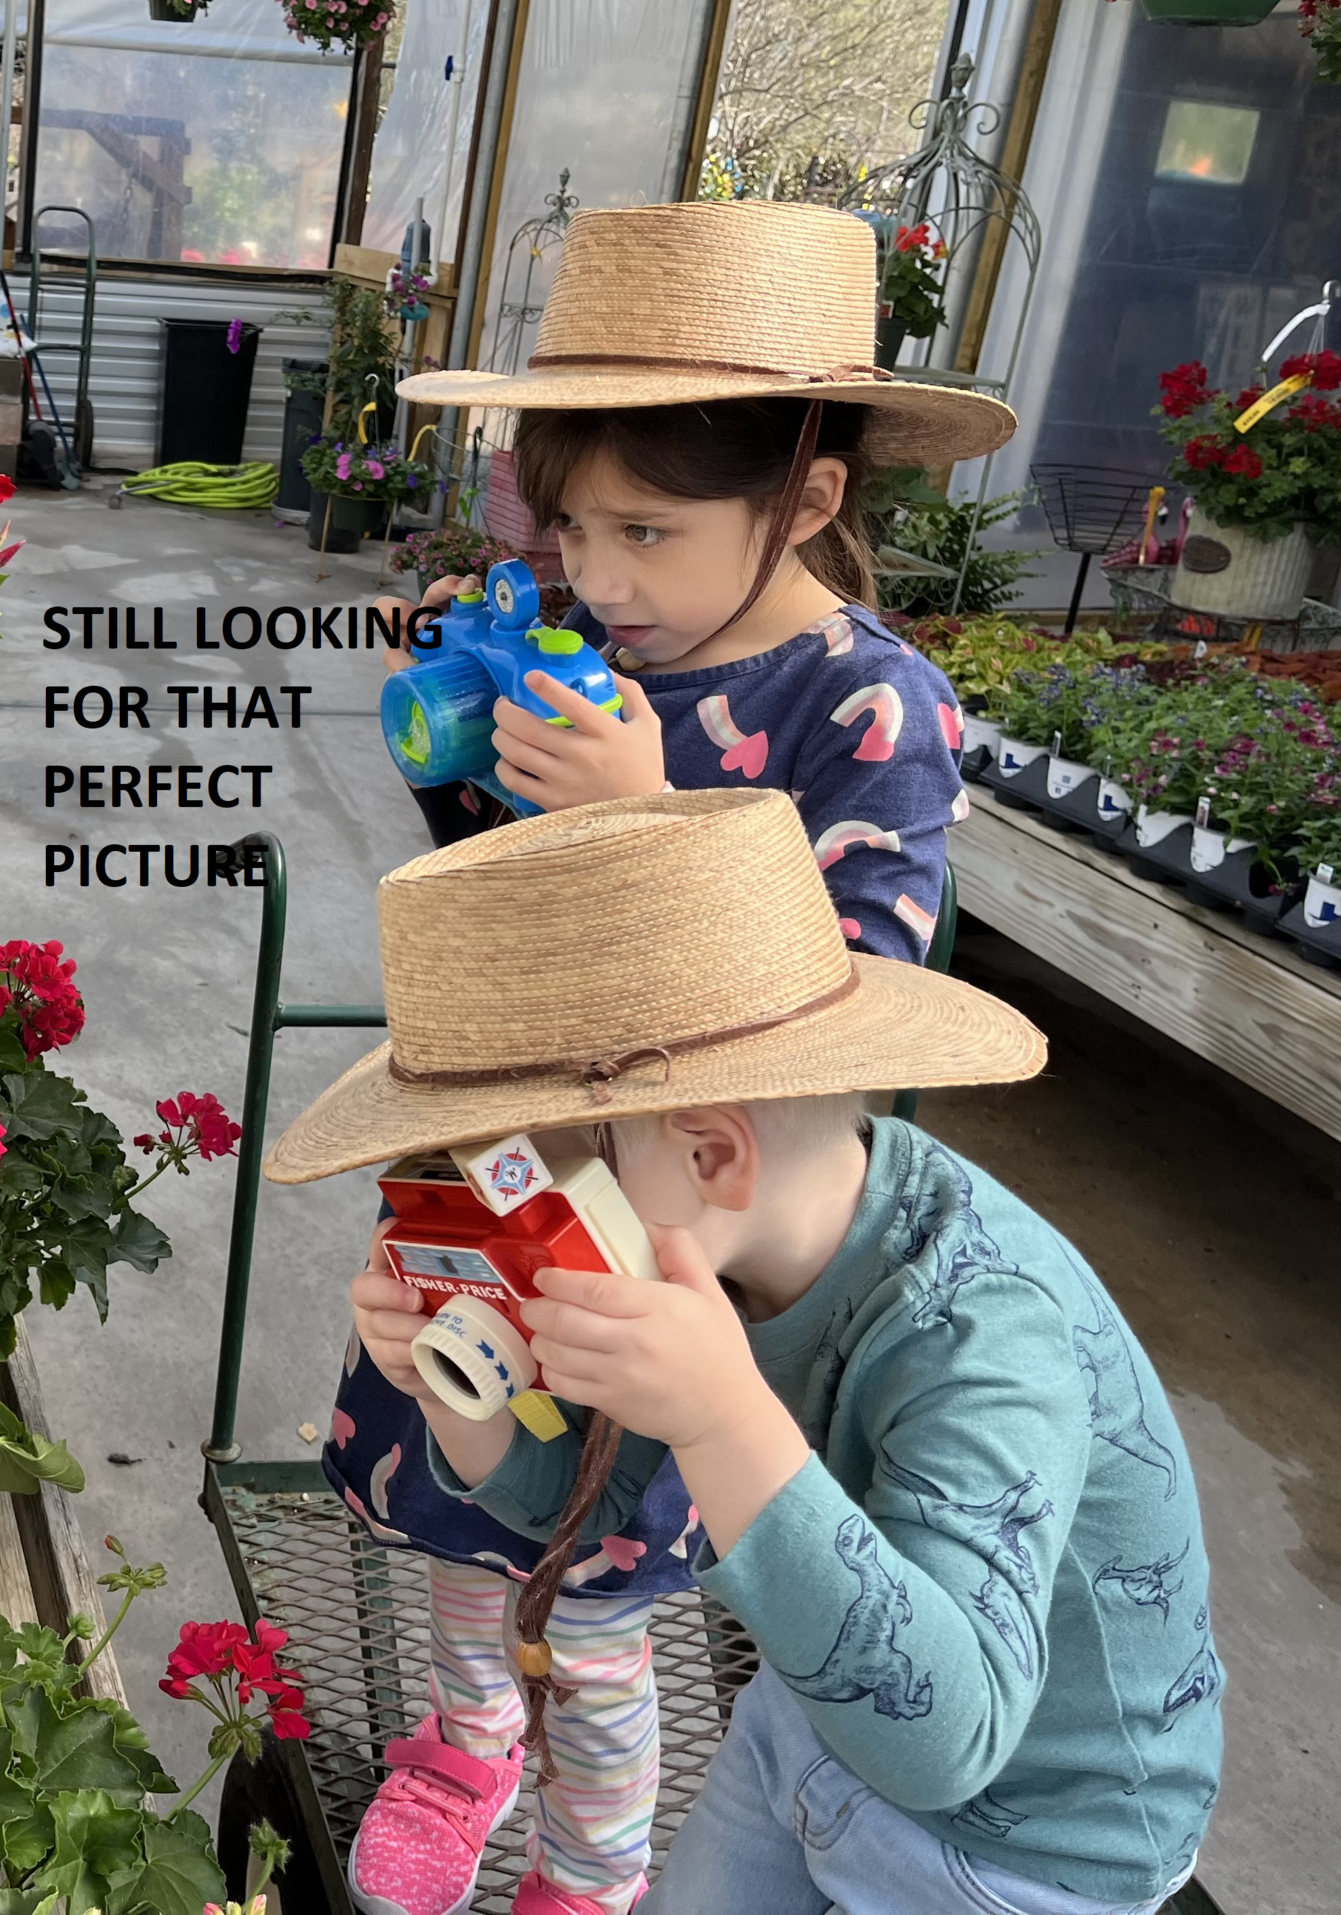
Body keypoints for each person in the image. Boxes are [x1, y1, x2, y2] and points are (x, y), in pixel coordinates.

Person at [324, 201, 1018, 1915]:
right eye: (568, 523)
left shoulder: (866, 712)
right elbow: (484, 885)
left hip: (677, 1211)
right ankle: (466, 1737)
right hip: (497, 1140)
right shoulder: (587, 645)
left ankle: (587, 1869)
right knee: (462, 1471)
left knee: (606, 1584)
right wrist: (466, 749)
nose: (602, 575)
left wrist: (654, 817)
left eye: (646, 525)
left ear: (808, 498)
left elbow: (852, 994)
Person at [270, 792, 1223, 1915]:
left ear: (711, 1152)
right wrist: (464, 1403)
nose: (488, 1211)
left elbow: (949, 1736)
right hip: (813, 1701)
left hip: (1032, 1840)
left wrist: (721, 1415)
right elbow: (582, 1502)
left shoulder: (977, 1328)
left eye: (524, 1179)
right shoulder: (702, 1238)